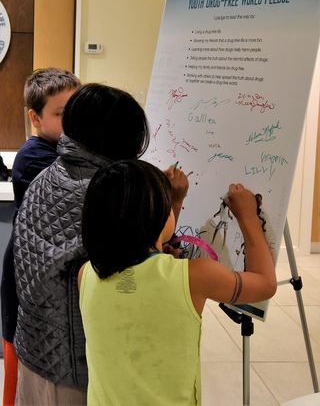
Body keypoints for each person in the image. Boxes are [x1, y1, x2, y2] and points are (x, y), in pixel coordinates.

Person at [12, 83, 188, 405]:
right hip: (74, 370)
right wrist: (172, 200)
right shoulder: (108, 195)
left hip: (34, 347)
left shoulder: (48, 173)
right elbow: (148, 274)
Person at [79, 159, 277, 405]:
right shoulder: (196, 276)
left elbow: (142, 269)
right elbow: (264, 284)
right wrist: (248, 216)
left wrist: (174, 200)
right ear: (158, 218)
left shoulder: (86, 274)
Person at [1, 67, 80, 406]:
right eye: (63, 114)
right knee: (22, 383)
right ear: (35, 117)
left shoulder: (65, 151)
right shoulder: (34, 158)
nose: (75, 123)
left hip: (46, 286)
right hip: (26, 287)